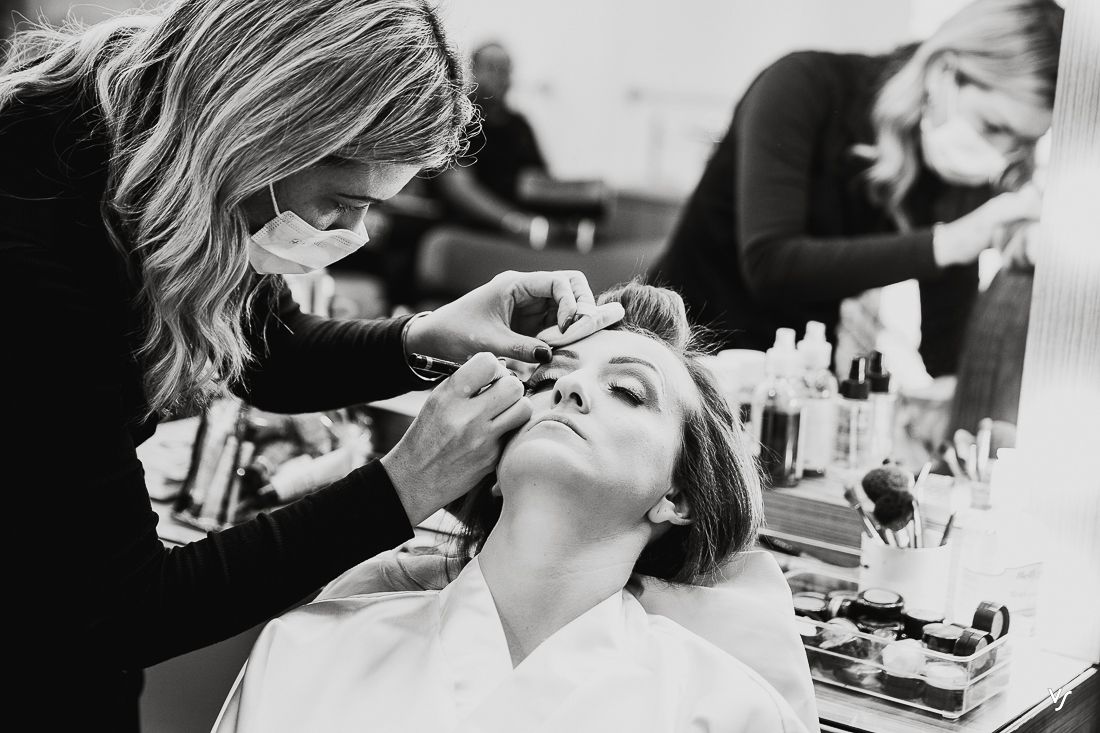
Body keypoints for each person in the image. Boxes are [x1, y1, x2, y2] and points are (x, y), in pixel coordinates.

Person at [0, 2, 612, 728]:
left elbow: (268, 347)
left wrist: (424, 338)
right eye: (342, 203)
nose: (352, 236)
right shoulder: (35, 241)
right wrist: (405, 484)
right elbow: (122, 606)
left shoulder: (172, 155)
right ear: (267, 129)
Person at [214, 282, 812, 733]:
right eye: (546, 380)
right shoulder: (308, 651)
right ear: (492, 466)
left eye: (628, 392)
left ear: (677, 497)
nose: (571, 389)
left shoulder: (729, 713)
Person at [648, 0, 1062, 378]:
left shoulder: (956, 171)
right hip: (674, 358)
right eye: (993, 126)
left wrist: (1017, 274)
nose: (999, 156)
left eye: (1022, 143)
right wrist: (949, 242)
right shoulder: (801, 85)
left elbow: (944, 349)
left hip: (796, 389)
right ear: (943, 72)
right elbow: (770, 264)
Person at [434, 41, 551, 243]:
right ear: (473, 70)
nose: (501, 76)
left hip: (519, 234)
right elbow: (458, 188)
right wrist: (512, 221)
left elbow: (539, 181)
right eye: (492, 68)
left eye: (506, 69)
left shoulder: (520, 126)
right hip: (464, 232)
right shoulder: (458, 117)